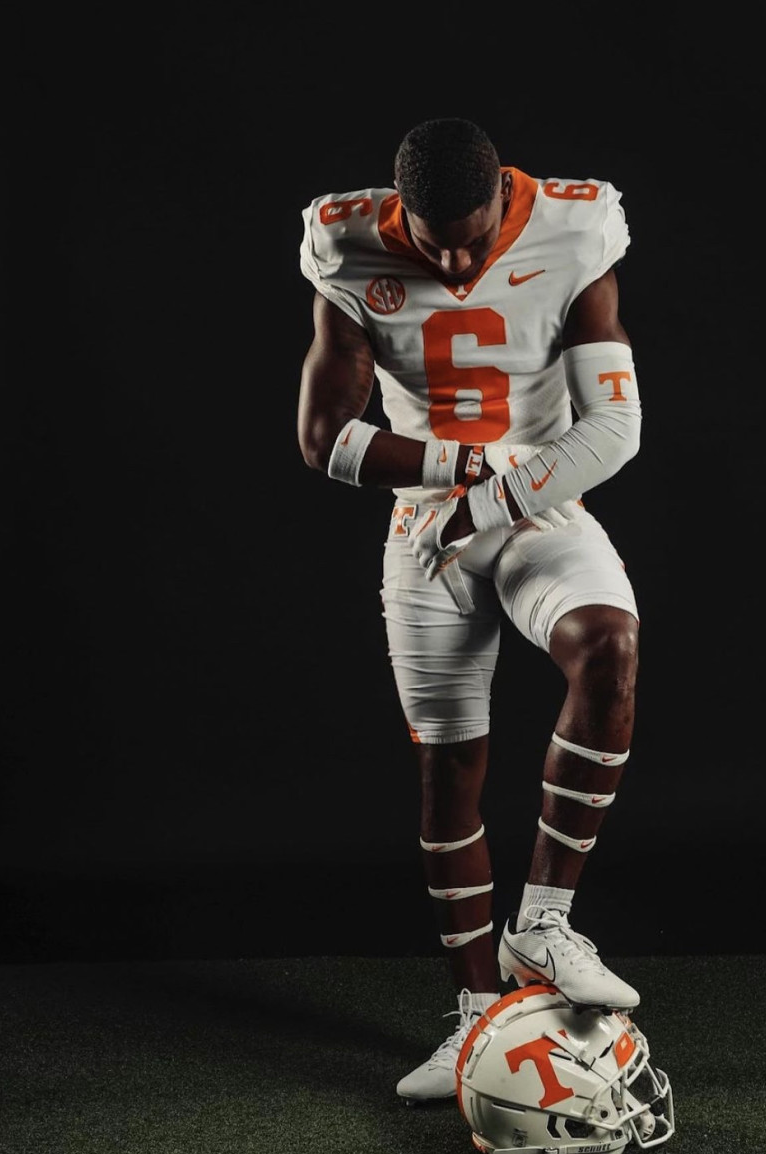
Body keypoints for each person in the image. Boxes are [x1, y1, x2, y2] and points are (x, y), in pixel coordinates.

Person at [296, 117, 645, 1104]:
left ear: (505, 197)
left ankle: (543, 921)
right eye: (431, 236)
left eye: (473, 234)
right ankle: (471, 1018)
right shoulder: (349, 243)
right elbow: (326, 439)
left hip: (539, 503)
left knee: (609, 648)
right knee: (449, 769)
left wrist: (492, 494)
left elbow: (614, 426)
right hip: (423, 528)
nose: (452, 259)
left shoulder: (574, 229)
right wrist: (454, 468)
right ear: (399, 206)